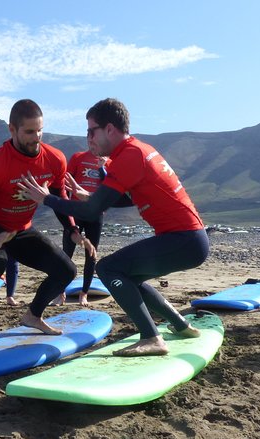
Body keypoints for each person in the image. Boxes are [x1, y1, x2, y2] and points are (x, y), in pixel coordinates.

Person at [19, 98, 207, 357]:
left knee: (107, 268)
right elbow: (131, 198)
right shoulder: (138, 149)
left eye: (91, 131)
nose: (89, 139)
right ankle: (180, 324)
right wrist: (90, 197)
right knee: (130, 276)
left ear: (110, 129)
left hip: (184, 239)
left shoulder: (129, 155)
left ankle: (152, 337)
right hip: (189, 239)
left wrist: (46, 199)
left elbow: (91, 213)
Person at [0, 99, 94, 355]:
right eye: (29, 131)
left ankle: (33, 315)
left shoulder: (54, 159)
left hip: (20, 229)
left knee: (66, 270)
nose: (36, 137)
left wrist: (73, 230)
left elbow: (58, 196)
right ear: (12, 130)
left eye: (39, 130)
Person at [50, 149, 108, 307]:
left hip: (95, 213)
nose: (93, 143)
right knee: (66, 253)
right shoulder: (78, 157)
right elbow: (65, 183)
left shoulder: (108, 161)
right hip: (76, 210)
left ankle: (84, 293)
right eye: (90, 139)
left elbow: (110, 188)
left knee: (91, 253)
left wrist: (103, 168)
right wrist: (66, 206)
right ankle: (60, 292)